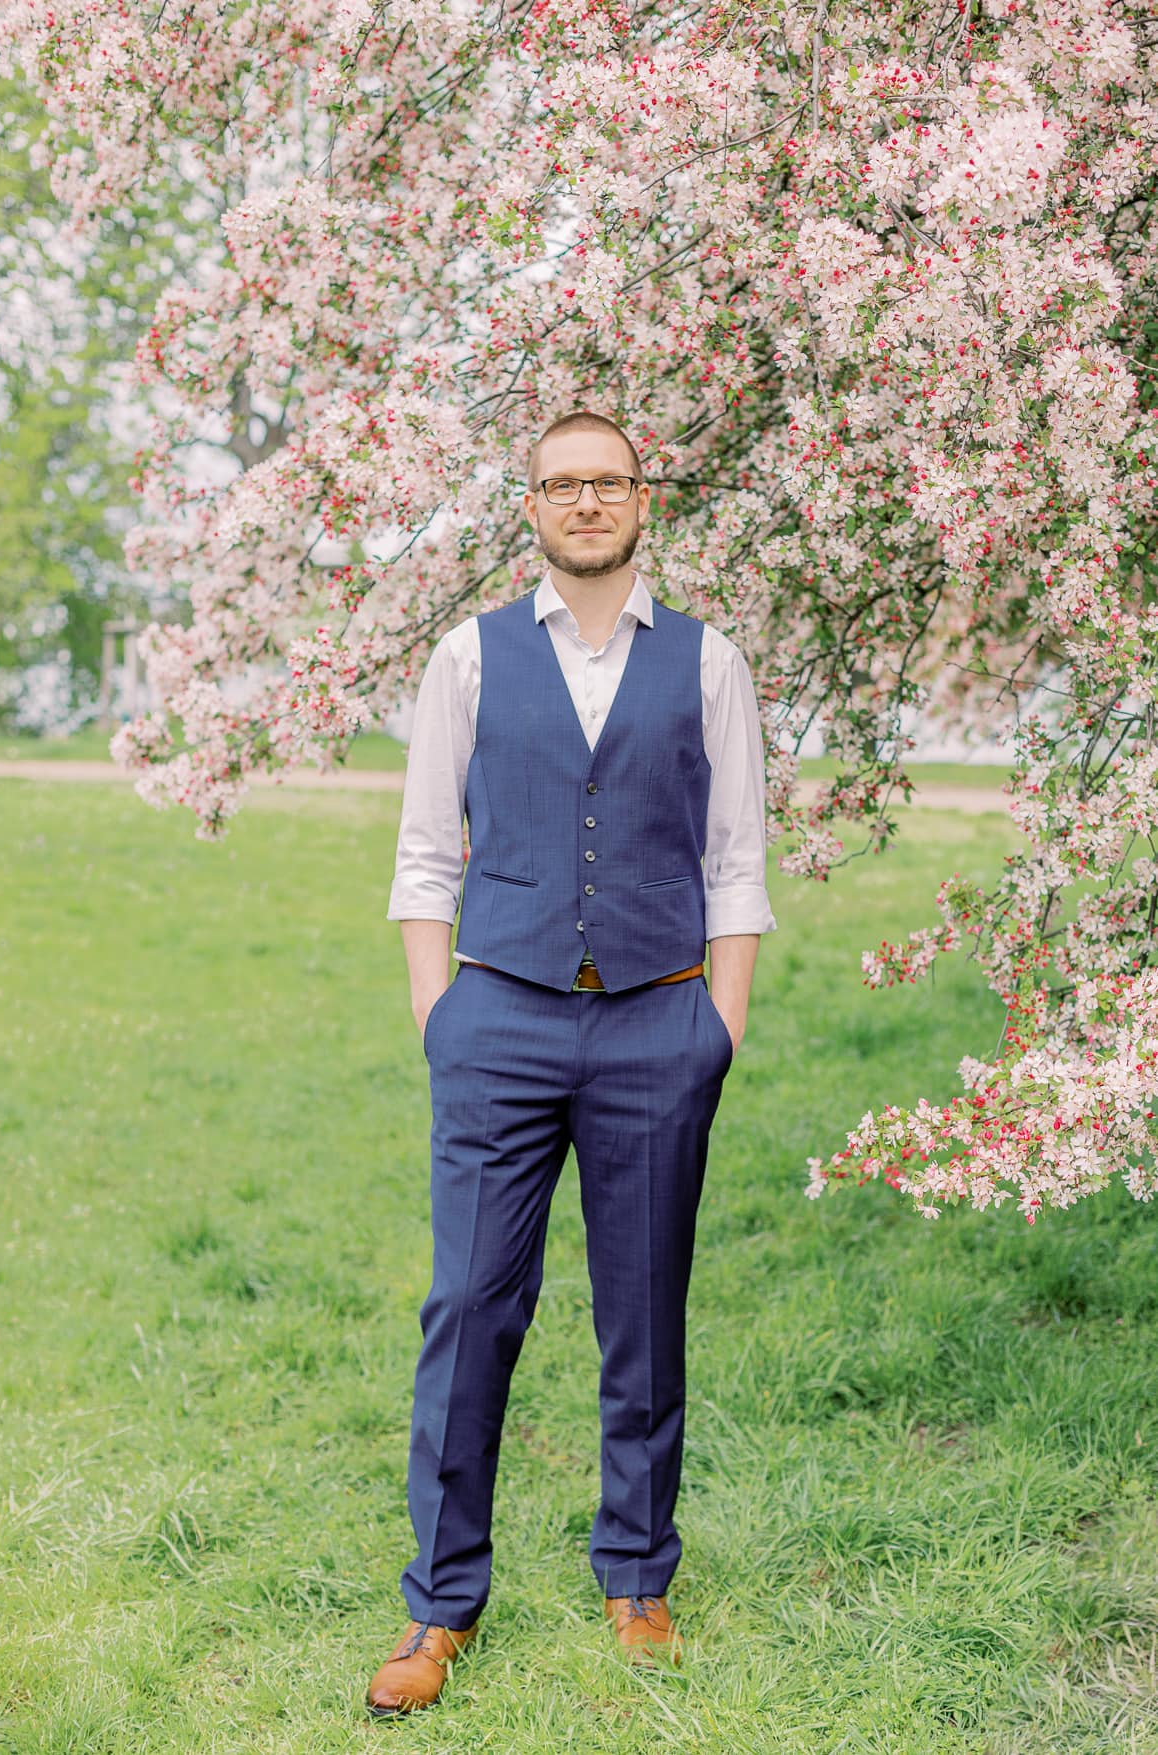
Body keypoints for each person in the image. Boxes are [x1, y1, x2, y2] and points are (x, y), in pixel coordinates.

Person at [367, 410, 777, 1718]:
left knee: (640, 1313)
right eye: (561, 484)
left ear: (641, 498)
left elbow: (735, 863)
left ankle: (635, 1576)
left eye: (606, 481)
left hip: (660, 1024)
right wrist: (440, 1012)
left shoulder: (706, 663)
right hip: (496, 1022)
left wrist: (720, 1024)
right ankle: (439, 1604)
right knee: (469, 1308)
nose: (585, 501)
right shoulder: (468, 658)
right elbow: (427, 851)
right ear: (529, 504)